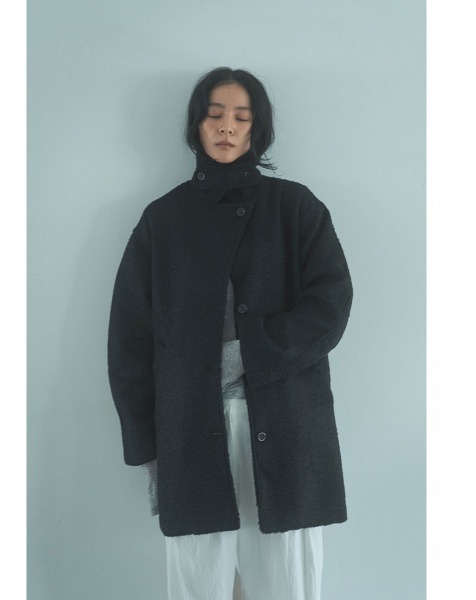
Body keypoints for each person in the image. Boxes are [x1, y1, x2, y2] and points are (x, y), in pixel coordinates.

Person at [107, 67, 353, 600]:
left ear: (257, 128)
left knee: (287, 583)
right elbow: (129, 341)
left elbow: (330, 306)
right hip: (189, 426)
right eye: (215, 114)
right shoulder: (162, 220)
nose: (226, 127)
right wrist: (149, 452)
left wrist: (248, 354)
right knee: (199, 584)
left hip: (287, 422)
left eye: (241, 117)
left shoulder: (295, 207)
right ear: (196, 124)